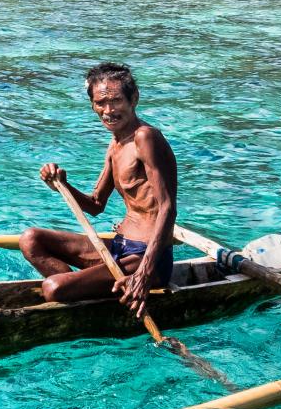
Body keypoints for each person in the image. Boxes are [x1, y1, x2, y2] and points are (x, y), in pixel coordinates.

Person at [20, 62, 178, 318]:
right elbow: (95, 205)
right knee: (30, 239)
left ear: (133, 98)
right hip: (119, 246)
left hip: (147, 258)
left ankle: (77, 292)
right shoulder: (116, 142)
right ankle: (85, 292)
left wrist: (144, 275)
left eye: (115, 101)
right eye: (99, 103)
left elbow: (168, 208)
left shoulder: (144, 137)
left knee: (52, 287)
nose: (108, 111)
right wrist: (61, 183)